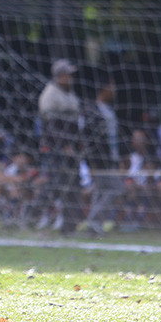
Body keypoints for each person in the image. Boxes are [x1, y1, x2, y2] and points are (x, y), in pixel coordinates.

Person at [30, 58, 81, 233]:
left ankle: (69, 227)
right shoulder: (50, 94)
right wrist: (64, 145)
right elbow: (51, 127)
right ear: (60, 76)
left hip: (72, 149)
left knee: (73, 186)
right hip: (56, 149)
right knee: (55, 184)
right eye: (68, 74)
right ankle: (31, 215)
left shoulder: (70, 93)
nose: (72, 77)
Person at [81, 78, 121, 234]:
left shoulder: (108, 109)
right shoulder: (92, 110)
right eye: (112, 87)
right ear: (104, 89)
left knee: (101, 190)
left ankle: (93, 225)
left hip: (111, 157)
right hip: (100, 159)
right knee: (116, 188)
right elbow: (89, 139)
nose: (115, 91)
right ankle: (93, 220)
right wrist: (92, 162)